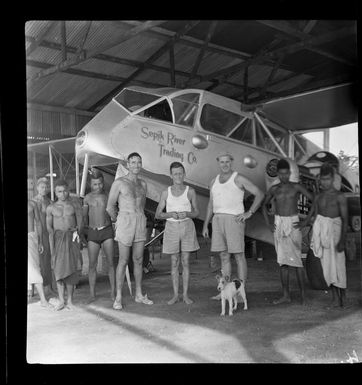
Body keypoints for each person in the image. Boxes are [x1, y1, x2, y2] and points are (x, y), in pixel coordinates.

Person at [202, 152, 264, 300]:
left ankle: (241, 293)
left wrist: (249, 212)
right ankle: (226, 291)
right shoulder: (213, 181)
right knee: (223, 256)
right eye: (222, 162)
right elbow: (211, 205)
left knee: (239, 255)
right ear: (218, 163)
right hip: (217, 220)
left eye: (227, 162)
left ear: (231, 162)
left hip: (234, 220)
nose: (225, 164)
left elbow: (259, 193)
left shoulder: (238, 178)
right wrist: (205, 224)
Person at [262, 158, 314, 305]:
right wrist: (268, 224)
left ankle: (304, 296)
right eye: (281, 174)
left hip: (293, 222)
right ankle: (286, 295)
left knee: (297, 261)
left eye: (287, 173)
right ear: (278, 174)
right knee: (282, 263)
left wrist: (306, 221)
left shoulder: (296, 187)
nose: (284, 176)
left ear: (289, 173)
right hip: (279, 223)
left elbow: (313, 200)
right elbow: (264, 205)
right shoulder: (274, 189)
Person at [106, 152, 153, 310]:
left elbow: (142, 205)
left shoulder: (143, 184)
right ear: (127, 164)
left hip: (139, 220)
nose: (136, 165)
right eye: (133, 162)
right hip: (125, 220)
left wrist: (140, 218)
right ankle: (118, 297)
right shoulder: (119, 183)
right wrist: (117, 221)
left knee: (138, 260)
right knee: (123, 260)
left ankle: (139, 294)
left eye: (139, 162)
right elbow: (110, 206)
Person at [299, 163, 348, 307]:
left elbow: (345, 220)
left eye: (327, 179)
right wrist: (304, 225)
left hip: (336, 232)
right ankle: (334, 299)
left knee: (339, 266)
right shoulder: (318, 197)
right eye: (322, 179)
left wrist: (342, 241)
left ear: (332, 179)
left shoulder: (340, 197)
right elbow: (313, 214)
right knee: (327, 267)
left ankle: (343, 299)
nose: (324, 182)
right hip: (324, 235)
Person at [155, 162, 200, 305]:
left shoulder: (190, 191)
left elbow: (197, 212)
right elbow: (158, 214)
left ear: (184, 174)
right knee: (174, 262)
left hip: (187, 225)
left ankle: (185, 295)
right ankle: (175, 295)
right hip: (172, 227)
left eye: (180, 173)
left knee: (185, 261)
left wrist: (187, 213)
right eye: (175, 174)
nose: (178, 176)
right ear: (171, 175)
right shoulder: (165, 192)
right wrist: (171, 214)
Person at [46, 179, 83, 310]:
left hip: (72, 239)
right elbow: (49, 229)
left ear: (68, 190)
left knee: (72, 270)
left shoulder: (75, 205)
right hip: (58, 240)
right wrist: (52, 248)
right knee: (59, 270)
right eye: (59, 191)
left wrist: (78, 236)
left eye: (65, 191)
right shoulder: (51, 208)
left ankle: (70, 301)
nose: (63, 194)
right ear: (55, 192)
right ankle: (61, 300)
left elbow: (80, 224)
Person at [82, 170, 116, 303]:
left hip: (107, 231)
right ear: (91, 184)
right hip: (93, 232)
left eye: (100, 184)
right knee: (92, 265)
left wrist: (114, 216)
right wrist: (82, 232)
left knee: (111, 263)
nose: (98, 187)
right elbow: (85, 217)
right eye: (95, 184)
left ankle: (113, 292)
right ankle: (92, 294)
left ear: (103, 183)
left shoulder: (108, 196)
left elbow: (114, 215)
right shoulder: (87, 198)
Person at [32, 177, 56, 295]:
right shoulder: (33, 202)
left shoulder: (50, 202)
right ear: (37, 188)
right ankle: (31, 288)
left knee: (47, 260)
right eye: (42, 187)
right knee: (35, 260)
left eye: (46, 187)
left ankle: (49, 286)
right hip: (35, 233)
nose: (44, 189)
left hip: (47, 233)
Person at [28, 199, 52, 307]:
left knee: (34, 267)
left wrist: (40, 241)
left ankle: (43, 299)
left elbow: (38, 223)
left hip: (31, 237)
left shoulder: (32, 204)